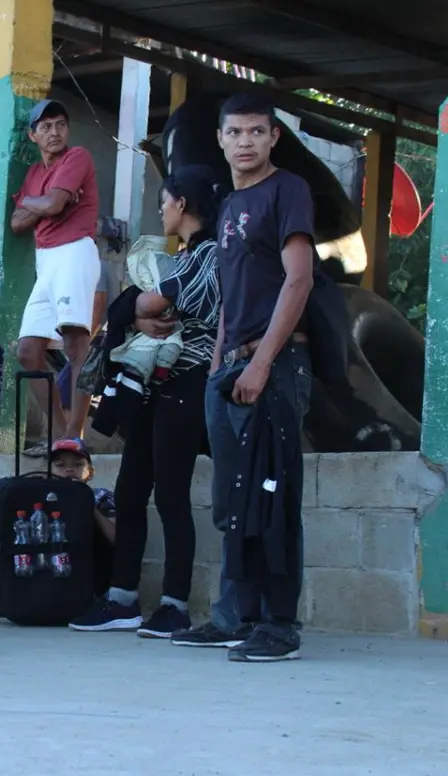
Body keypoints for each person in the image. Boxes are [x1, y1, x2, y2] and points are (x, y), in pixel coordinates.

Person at [170, 94, 315, 662]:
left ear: (274, 137)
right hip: (229, 365)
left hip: (273, 364)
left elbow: (297, 281)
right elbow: (232, 291)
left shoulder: (289, 191)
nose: (247, 141)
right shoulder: (229, 205)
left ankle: (279, 624)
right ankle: (234, 615)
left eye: (258, 131)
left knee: (273, 497)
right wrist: (219, 364)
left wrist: (259, 363)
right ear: (222, 139)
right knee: (233, 499)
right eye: (236, 132)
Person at [69, 166, 224, 639]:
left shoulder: (212, 255)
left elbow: (153, 303)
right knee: (132, 492)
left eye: (164, 202)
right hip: (154, 386)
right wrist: (134, 308)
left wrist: (133, 307)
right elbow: (138, 304)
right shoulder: (179, 257)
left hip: (188, 382)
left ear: (182, 204)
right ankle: (122, 598)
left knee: (172, 494)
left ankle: (175, 604)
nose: (161, 211)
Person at [11, 98, 105, 448]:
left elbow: (50, 205)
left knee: (76, 343)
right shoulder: (35, 173)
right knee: (27, 351)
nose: (54, 132)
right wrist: (43, 202)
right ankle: (58, 430)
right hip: (45, 261)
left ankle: (73, 435)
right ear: (32, 135)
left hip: (74, 252)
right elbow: (17, 224)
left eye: (60, 124)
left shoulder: (76, 157)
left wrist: (37, 202)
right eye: (46, 127)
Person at [49, 438, 117, 597]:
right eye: (60, 465)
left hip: (92, 574)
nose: (69, 470)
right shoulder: (43, 498)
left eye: (78, 465)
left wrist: (88, 505)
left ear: (90, 472)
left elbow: (115, 537)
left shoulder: (102, 498)